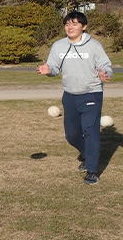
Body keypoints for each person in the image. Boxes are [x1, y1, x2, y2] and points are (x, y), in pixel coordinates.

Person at [37, 11, 112, 185]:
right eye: (67, 24)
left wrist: (104, 73)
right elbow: (54, 67)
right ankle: (88, 153)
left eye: (75, 24)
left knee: (90, 132)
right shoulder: (58, 46)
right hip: (69, 95)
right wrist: (48, 71)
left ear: (83, 27)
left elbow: (105, 65)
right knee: (72, 135)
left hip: (91, 93)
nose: (70, 27)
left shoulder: (94, 46)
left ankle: (92, 170)